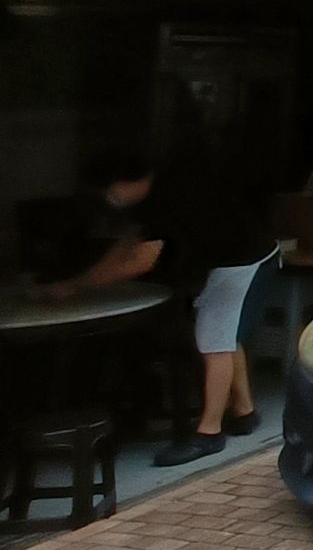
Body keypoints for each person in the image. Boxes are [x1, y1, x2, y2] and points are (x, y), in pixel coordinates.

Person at [45, 141, 278, 467]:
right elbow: (128, 245)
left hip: (243, 258)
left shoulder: (165, 196)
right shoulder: (150, 193)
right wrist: (81, 282)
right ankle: (244, 412)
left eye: (109, 193)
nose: (109, 201)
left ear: (125, 182)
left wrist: (79, 285)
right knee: (224, 335)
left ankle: (209, 434)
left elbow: (140, 260)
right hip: (233, 255)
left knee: (213, 339)